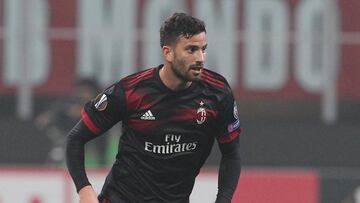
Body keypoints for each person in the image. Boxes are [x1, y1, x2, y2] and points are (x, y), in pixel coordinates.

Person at [66, 12, 242, 203]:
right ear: (168, 52)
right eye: (191, 50)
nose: (200, 58)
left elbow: (231, 155)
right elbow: (75, 139)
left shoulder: (217, 93)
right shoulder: (131, 92)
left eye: (203, 49)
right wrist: (85, 190)